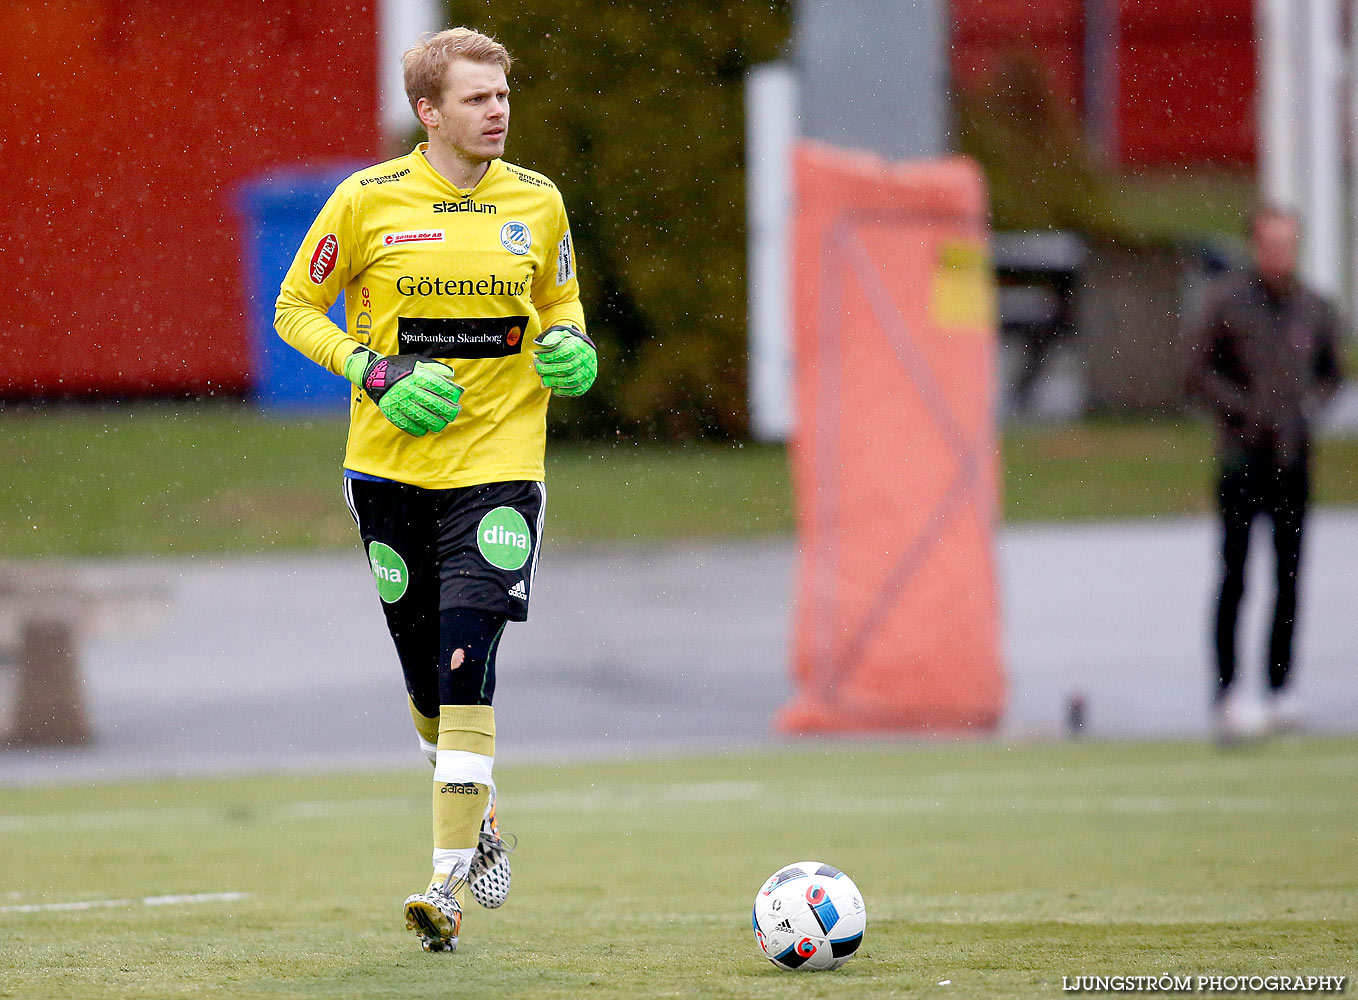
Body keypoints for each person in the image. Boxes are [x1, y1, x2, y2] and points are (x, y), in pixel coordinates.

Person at [273, 27, 596, 952]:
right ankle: (481, 816)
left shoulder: (538, 202)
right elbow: (296, 307)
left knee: (466, 666)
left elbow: (561, 308)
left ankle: (444, 886)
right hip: (389, 474)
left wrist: (573, 352)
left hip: (499, 470)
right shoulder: (366, 200)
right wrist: (371, 371)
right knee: (424, 681)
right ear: (429, 111)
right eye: (476, 98)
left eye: (503, 96)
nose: (497, 111)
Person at [1187, 205, 1343, 741]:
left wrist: (1306, 410)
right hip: (1241, 456)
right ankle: (1228, 691)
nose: (1280, 253)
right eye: (1270, 242)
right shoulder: (1228, 303)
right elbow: (1196, 371)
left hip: (1292, 457)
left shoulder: (1313, 308)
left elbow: (1331, 372)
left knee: (1290, 575)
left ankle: (1281, 687)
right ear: (1256, 245)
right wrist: (1242, 411)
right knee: (1235, 575)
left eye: (1287, 243)